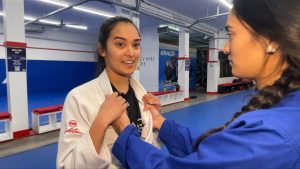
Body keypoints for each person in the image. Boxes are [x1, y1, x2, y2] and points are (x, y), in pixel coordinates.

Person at [103, 0, 300, 168]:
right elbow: (215, 151)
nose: (225, 48)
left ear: (270, 40)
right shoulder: (287, 110)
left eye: (232, 34)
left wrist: (125, 132)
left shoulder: (273, 136)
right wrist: (160, 123)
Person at [56, 16, 161, 169]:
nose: (131, 53)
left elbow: (152, 153)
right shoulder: (79, 98)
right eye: (120, 44)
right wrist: (102, 121)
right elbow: (67, 166)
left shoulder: (142, 96)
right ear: (102, 50)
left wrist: (156, 124)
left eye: (136, 45)